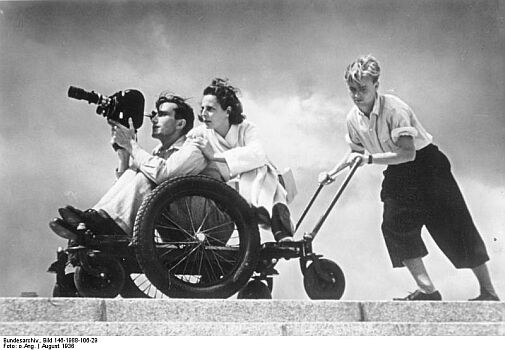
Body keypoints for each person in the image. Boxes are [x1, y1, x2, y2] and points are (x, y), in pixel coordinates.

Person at [319, 55, 499, 301]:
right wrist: (333, 173)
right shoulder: (353, 118)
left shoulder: (394, 109)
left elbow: (408, 153)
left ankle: (488, 292)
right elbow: (356, 153)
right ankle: (429, 292)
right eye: (352, 90)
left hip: (428, 167)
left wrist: (370, 160)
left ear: (376, 85)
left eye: (363, 89)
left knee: (455, 226)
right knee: (394, 226)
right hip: (398, 172)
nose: (357, 95)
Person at [50, 92, 208, 238]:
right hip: (167, 216)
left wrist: (131, 145)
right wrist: (124, 154)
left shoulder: (194, 148)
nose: (153, 119)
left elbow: (163, 174)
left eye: (162, 115)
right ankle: (94, 219)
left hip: (197, 227)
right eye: (154, 115)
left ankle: (104, 222)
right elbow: (129, 191)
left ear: (180, 124)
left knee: (147, 175)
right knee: (137, 170)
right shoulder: (159, 153)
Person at [189, 78, 294, 242]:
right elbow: (184, 148)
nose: (203, 114)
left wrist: (214, 155)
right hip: (226, 188)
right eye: (202, 108)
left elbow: (257, 153)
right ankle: (264, 214)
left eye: (210, 109)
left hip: (266, 182)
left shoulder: (247, 128)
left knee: (259, 170)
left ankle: (273, 220)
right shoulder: (200, 133)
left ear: (227, 111)